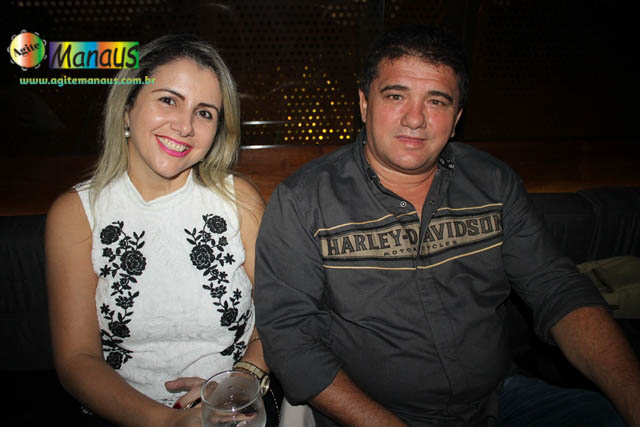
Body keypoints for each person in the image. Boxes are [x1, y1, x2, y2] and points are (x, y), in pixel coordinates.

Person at [254, 25, 640, 426]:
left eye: (436, 101)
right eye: (396, 96)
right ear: (365, 104)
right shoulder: (303, 201)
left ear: (456, 119)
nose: (415, 119)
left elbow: (556, 288)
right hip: (375, 416)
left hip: (500, 400)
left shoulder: (493, 183)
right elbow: (291, 340)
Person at [45, 34, 269, 426]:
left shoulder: (240, 202)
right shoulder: (77, 214)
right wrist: (169, 422)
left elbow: (283, 318)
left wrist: (241, 380)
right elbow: (76, 359)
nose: (184, 126)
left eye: (204, 113)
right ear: (127, 109)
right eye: (168, 100)